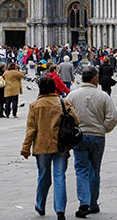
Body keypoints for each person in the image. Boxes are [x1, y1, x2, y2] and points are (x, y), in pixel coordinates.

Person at [21, 75, 78, 220]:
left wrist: (26, 148)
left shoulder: (35, 105)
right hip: (61, 145)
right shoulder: (63, 103)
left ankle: (40, 204)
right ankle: (60, 210)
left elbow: (31, 129)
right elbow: (76, 120)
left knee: (43, 175)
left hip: (42, 146)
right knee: (60, 176)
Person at [67, 66, 117, 218]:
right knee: (94, 169)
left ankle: (84, 202)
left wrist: (74, 129)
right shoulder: (103, 96)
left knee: (81, 169)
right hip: (97, 137)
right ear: (95, 78)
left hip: (79, 137)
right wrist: (103, 129)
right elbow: (113, 118)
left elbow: (66, 115)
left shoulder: (72, 96)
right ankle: (93, 204)